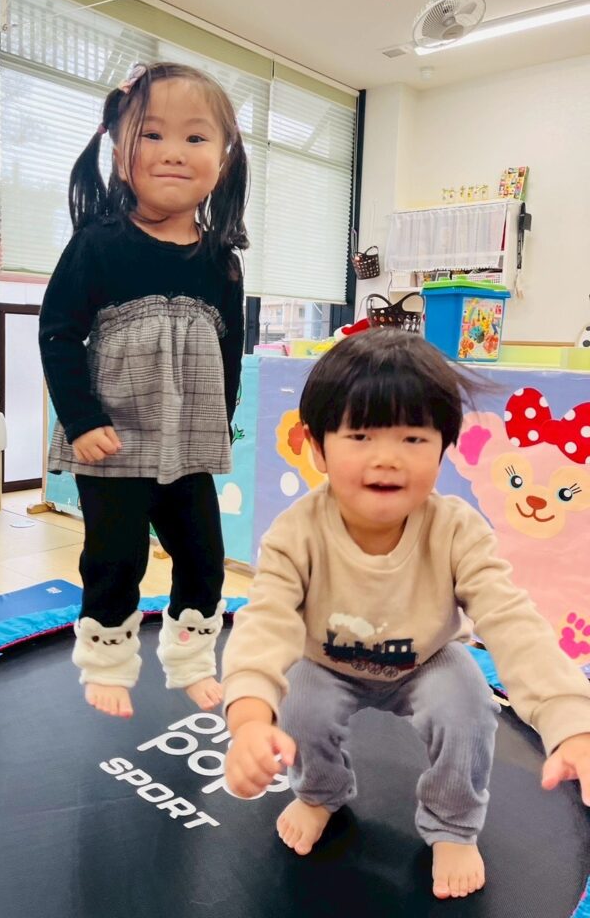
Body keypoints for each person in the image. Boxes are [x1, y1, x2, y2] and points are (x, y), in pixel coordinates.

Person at [222, 327, 590, 900]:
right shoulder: (297, 533)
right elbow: (265, 620)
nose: (387, 458)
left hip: (427, 660)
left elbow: (511, 621)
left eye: (414, 438)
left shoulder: (456, 530)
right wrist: (249, 719)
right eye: (361, 435)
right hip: (326, 662)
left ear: (443, 449)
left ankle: (452, 824)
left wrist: (572, 720)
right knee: (299, 702)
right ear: (317, 447)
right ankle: (320, 792)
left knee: (467, 702)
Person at [39, 62, 248, 720]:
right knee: (116, 557)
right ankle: (106, 662)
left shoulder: (221, 262)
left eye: (195, 138)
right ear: (119, 152)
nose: (173, 153)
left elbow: (229, 351)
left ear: (224, 158)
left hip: (187, 445)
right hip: (114, 441)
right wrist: (80, 420)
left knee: (204, 558)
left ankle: (190, 658)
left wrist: (220, 423)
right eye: (152, 134)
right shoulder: (98, 246)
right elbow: (58, 334)